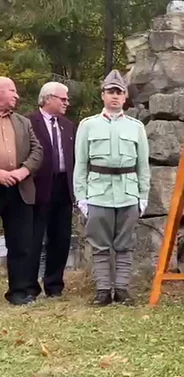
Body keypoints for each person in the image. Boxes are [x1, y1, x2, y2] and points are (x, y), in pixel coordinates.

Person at [74, 70, 150, 306]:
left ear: (125, 97)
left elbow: (143, 165)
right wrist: (81, 197)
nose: (115, 96)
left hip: (128, 194)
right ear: (103, 95)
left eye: (119, 92)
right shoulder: (88, 126)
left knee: (125, 245)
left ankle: (122, 289)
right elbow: (81, 164)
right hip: (98, 193)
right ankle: (103, 290)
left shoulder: (136, 127)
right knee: (100, 246)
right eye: (110, 92)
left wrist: (143, 196)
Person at [26, 82, 77, 298]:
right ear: (48, 98)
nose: (67, 102)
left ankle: (54, 285)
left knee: (61, 238)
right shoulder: (28, 122)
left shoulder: (68, 125)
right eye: (62, 99)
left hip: (64, 187)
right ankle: (29, 286)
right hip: (38, 188)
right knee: (34, 239)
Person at [0, 77, 44, 305]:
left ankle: (18, 292)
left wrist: (22, 171)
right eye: (12, 91)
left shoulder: (23, 122)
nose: (17, 96)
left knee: (20, 243)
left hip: (20, 188)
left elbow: (37, 151)